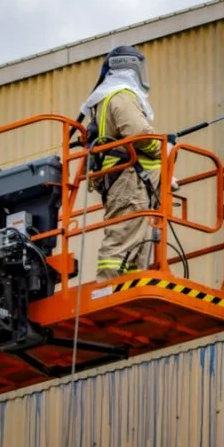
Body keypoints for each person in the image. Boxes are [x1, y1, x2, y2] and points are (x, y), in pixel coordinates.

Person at [77, 45, 165, 281]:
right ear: (131, 68)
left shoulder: (109, 97)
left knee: (135, 241)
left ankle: (129, 282)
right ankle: (108, 286)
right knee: (122, 238)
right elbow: (139, 134)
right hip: (129, 180)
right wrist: (164, 150)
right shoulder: (121, 96)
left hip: (133, 180)